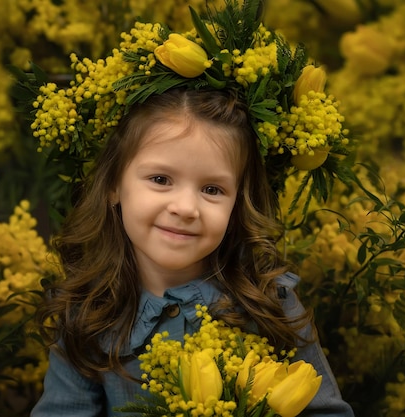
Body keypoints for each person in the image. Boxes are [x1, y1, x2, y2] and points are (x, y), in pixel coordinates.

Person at [30, 87, 355, 416]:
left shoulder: (270, 301)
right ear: (114, 184)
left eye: (212, 189)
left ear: (237, 206)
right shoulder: (87, 312)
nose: (186, 208)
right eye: (160, 179)